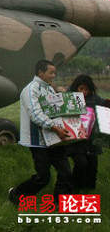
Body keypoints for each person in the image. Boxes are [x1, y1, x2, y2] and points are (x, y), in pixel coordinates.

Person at [9, 60, 72, 205]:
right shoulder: (31, 90)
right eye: (51, 72)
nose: (53, 75)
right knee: (43, 177)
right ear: (40, 73)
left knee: (65, 172)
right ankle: (16, 194)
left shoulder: (49, 89)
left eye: (54, 73)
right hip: (37, 140)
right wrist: (55, 127)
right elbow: (35, 114)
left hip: (55, 138)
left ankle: (61, 204)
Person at [66, 74, 107, 190]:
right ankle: (74, 188)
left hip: (91, 141)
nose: (84, 92)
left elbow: (104, 104)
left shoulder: (94, 99)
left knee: (93, 166)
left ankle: (89, 190)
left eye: (87, 89)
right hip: (75, 140)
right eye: (81, 89)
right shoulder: (69, 98)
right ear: (76, 88)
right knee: (81, 163)